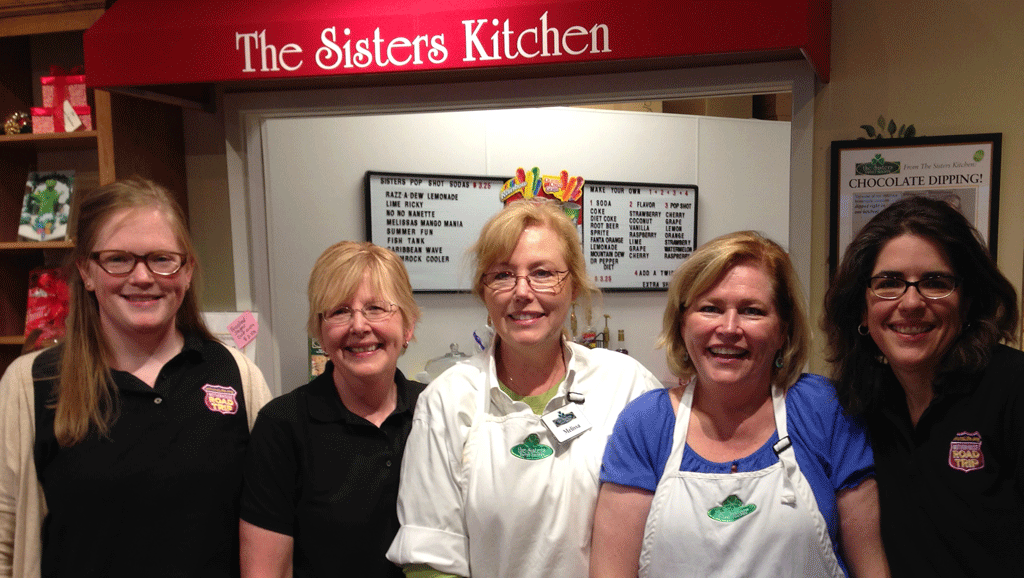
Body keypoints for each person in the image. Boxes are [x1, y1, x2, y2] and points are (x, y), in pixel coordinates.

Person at [0, 177, 272, 578]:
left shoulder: (237, 376)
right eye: (118, 259)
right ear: (86, 272)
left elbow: (271, 526)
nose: (143, 277)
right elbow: (5, 538)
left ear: (187, 270)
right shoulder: (32, 383)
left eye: (162, 258)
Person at [386, 197, 662, 578]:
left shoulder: (627, 385)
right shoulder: (447, 399)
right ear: (484, 292)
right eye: (502, 275)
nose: (522, 291)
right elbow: (431, 557)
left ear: (575, 286)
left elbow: (663, 531)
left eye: (543, 273)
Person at [592, 230, 889, 578]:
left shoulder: (824, 410)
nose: (729, 328)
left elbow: (871, 566)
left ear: (782, 330)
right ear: (682, 323)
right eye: (710, 308)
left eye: (751, 311)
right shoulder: (645, 424)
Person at [822, 196, 1022, 577]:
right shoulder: (858, 404)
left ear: (968, 303)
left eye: (935, 282)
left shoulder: (1013, 389)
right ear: (862, 308)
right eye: (889, 283)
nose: (911, 302)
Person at [240, 241, 425, 578]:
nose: (358, 326)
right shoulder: (282, 426)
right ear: (320, 334)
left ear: (408, 325)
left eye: (377, 308)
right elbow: (267, 570)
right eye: (339, 311)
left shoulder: (437, 412)